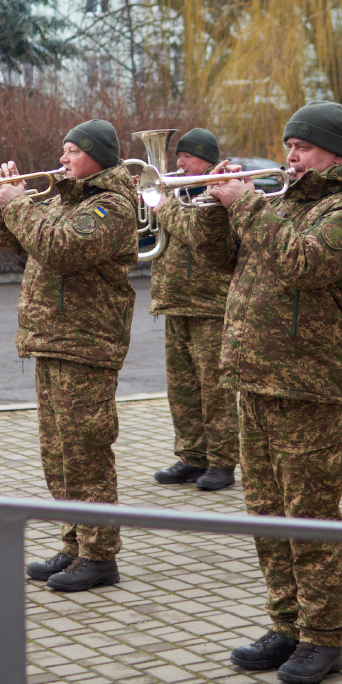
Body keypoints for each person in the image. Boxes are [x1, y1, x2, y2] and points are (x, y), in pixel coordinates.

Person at [215, 100, 342, 684]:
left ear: (335, 152)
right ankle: (286, 622)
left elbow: (302, 262)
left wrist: (248, 204)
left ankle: (323, 636)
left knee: (310, 516)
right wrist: (217, 207)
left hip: (308, 386)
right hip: (256, 378)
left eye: (302, 147)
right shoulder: (282, 203)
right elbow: (217, 261)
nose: (290, 157)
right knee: (266, 514)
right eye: (287, 146)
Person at [0, 120, 139, 594]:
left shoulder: (109, 205)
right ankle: (74, 542)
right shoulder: (64, 198)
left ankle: (100, 555)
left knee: (87, 452)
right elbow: (19, 241)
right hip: (52, 339)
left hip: (85, 343)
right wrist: (2, 202)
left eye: (73, 150)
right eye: (64, 149)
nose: (63, 157)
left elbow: (60, 248)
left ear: (97, 157)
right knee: (59, 454)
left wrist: (18, 204)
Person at [148, 127, 240, 492]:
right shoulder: (175, 192)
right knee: (182, 388)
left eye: (187, 156)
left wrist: (163, 205)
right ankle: (191, 455)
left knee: (214, 390)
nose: (179, 163)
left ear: (207, 160)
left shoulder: (219, 192)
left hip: (210, 306)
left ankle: (222, 462)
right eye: (178, 157)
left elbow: (197, 233)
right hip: (176, 303)